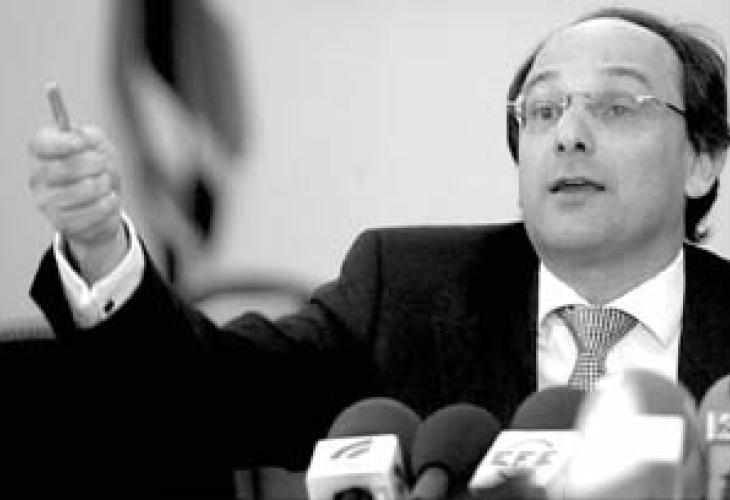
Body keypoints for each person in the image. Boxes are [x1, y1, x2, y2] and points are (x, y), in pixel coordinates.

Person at [24, 6, 730, 498]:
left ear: (702, 161)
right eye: (544, 110)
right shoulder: (408, 291)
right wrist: (100, 245)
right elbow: (201, 400)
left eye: (616, 106)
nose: (568, 134)